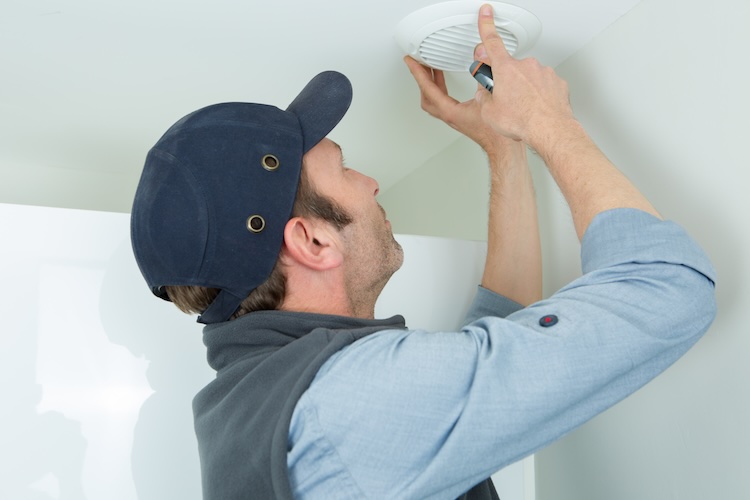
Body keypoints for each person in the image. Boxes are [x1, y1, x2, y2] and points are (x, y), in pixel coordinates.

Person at [130, 4, 716, 499]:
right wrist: (548, 122)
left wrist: (502, 147)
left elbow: (491, 344)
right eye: (344, 169)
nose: (371, 183)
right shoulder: (346, 405)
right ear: (310, 241)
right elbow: (667, 289)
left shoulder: (259, 403)